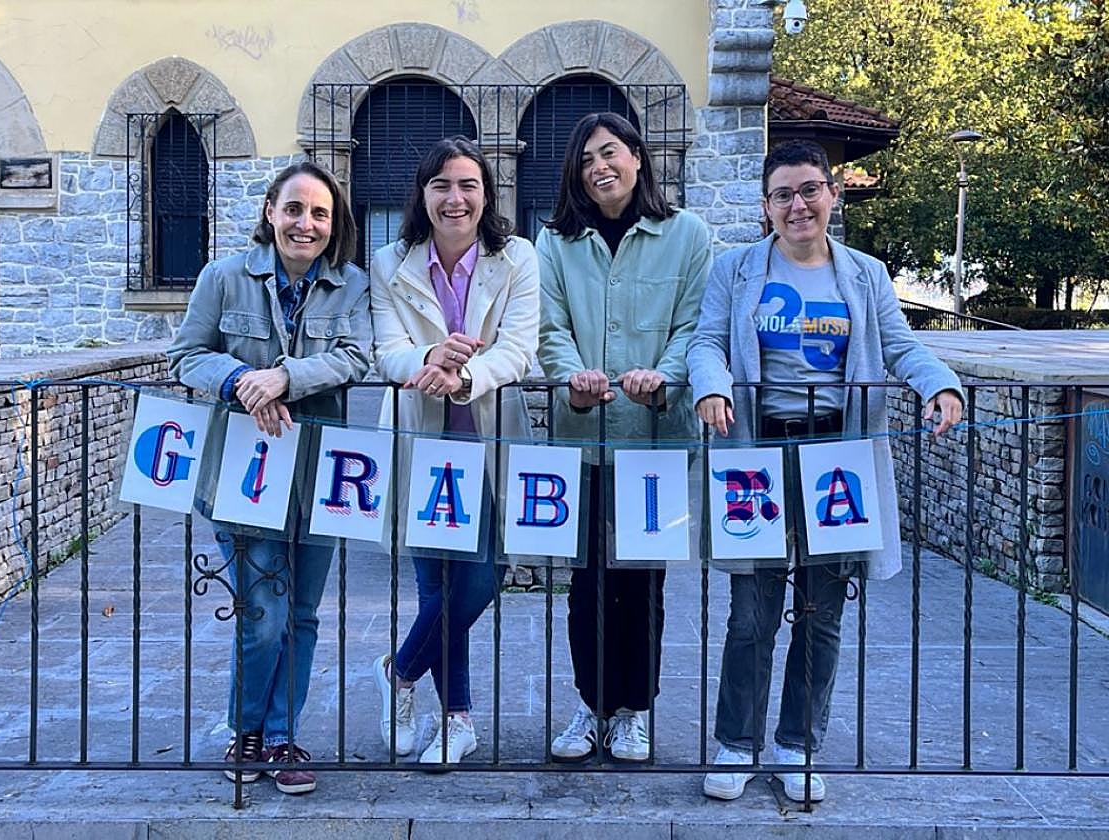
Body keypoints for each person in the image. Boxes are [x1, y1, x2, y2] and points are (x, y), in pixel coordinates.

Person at [687, 139, 963, 802]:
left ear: (832, 196)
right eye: (783, 193)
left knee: (822, 612)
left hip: (838, 460)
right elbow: (707, 341)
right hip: (756, 453)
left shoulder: (864, 274)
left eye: (810, 189)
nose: (798, 204)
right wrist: (710, 386)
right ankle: (736, 743)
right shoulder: (736, 269)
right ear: (766, 207)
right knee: (752, 612)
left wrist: (941, 385)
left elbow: (900, 346)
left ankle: (797, 746)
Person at [168, 160, 372, 795]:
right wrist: (238, 382)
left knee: (303, 612)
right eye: (294, 209)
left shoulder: (352, 286)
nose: (304, 223)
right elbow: (185, 355)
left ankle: (282, 737)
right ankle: (247, 730)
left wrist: (284, 376)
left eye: (319, 213)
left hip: (320, 474)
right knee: (263, 609)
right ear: (270, 212)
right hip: (243, 471)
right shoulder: (224, 277)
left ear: (332, 224)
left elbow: (357, 356)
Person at [536, 112, 711, 762]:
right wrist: (567, 376)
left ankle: (633, 709)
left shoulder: (687, 234)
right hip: (582, 438)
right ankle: (591, 704)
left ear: (637, 156)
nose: (599, 167)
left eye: (609, 153)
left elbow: (696, 323)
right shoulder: (554, 241)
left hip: (655, 444)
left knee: (641, 585)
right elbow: (550, 326)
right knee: (584, 584)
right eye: (585, 161)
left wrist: (664, 376)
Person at [369, 136, 539, 764]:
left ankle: (400, 671)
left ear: (486, 193)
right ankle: (459, 719)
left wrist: (464, 375)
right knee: (437, 587)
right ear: (423, 194)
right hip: (420, 441)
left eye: (468, 184)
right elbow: (385, 350)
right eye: (441, 185)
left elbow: (520, 347)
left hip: (491, 437)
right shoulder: (391, 261)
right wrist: (426, 358)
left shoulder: (517, 257)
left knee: (483, 577)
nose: (455, 197)